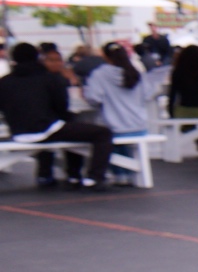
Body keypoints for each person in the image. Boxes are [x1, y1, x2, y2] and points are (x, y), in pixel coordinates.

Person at [2, 42, 113, 187]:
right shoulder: (48, 78)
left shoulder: (4, 82)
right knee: (101, 133)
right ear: (37, 57)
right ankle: (91, 176)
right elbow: (62, 106)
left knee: (65, 128)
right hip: (47, 128)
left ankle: (45, 174)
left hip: (19, 132)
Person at [84, 41, 152, 138]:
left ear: (105, 56)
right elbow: (147, 94)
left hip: (114, 129)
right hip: (139, 126)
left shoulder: (100, 74)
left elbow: (93, 98)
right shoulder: (136, 73)